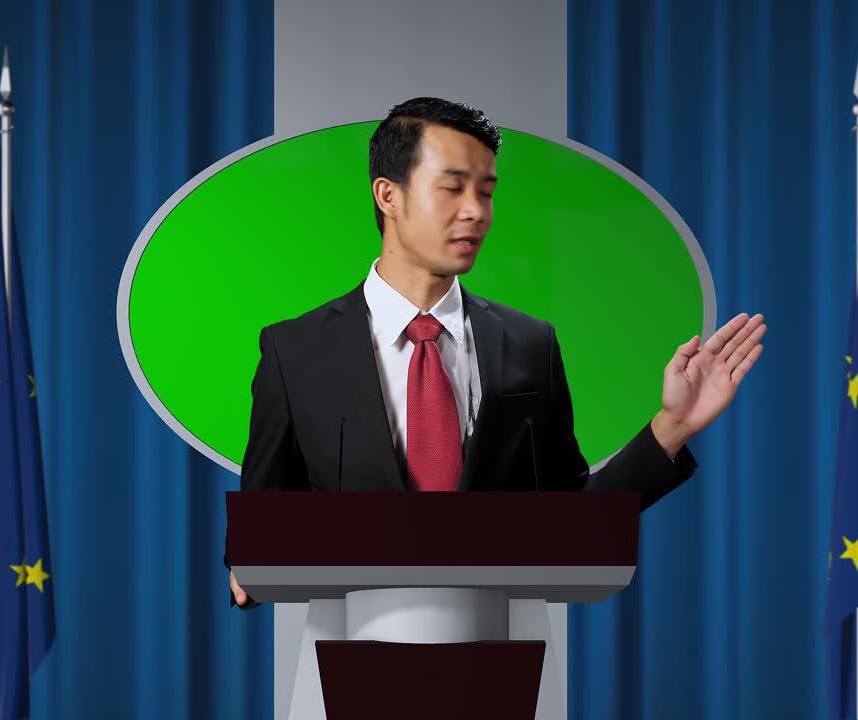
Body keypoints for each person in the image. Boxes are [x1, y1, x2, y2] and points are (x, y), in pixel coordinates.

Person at [227, 97, 766, 609]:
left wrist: (673, 425)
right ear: (387, 195)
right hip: (347, 647)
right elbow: (263, 526)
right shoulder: (294, 350)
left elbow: (570, 519)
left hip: (500, 647)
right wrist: (251, 560)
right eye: (453, 188)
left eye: (485, 192)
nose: (476, 212)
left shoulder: (530, 344)